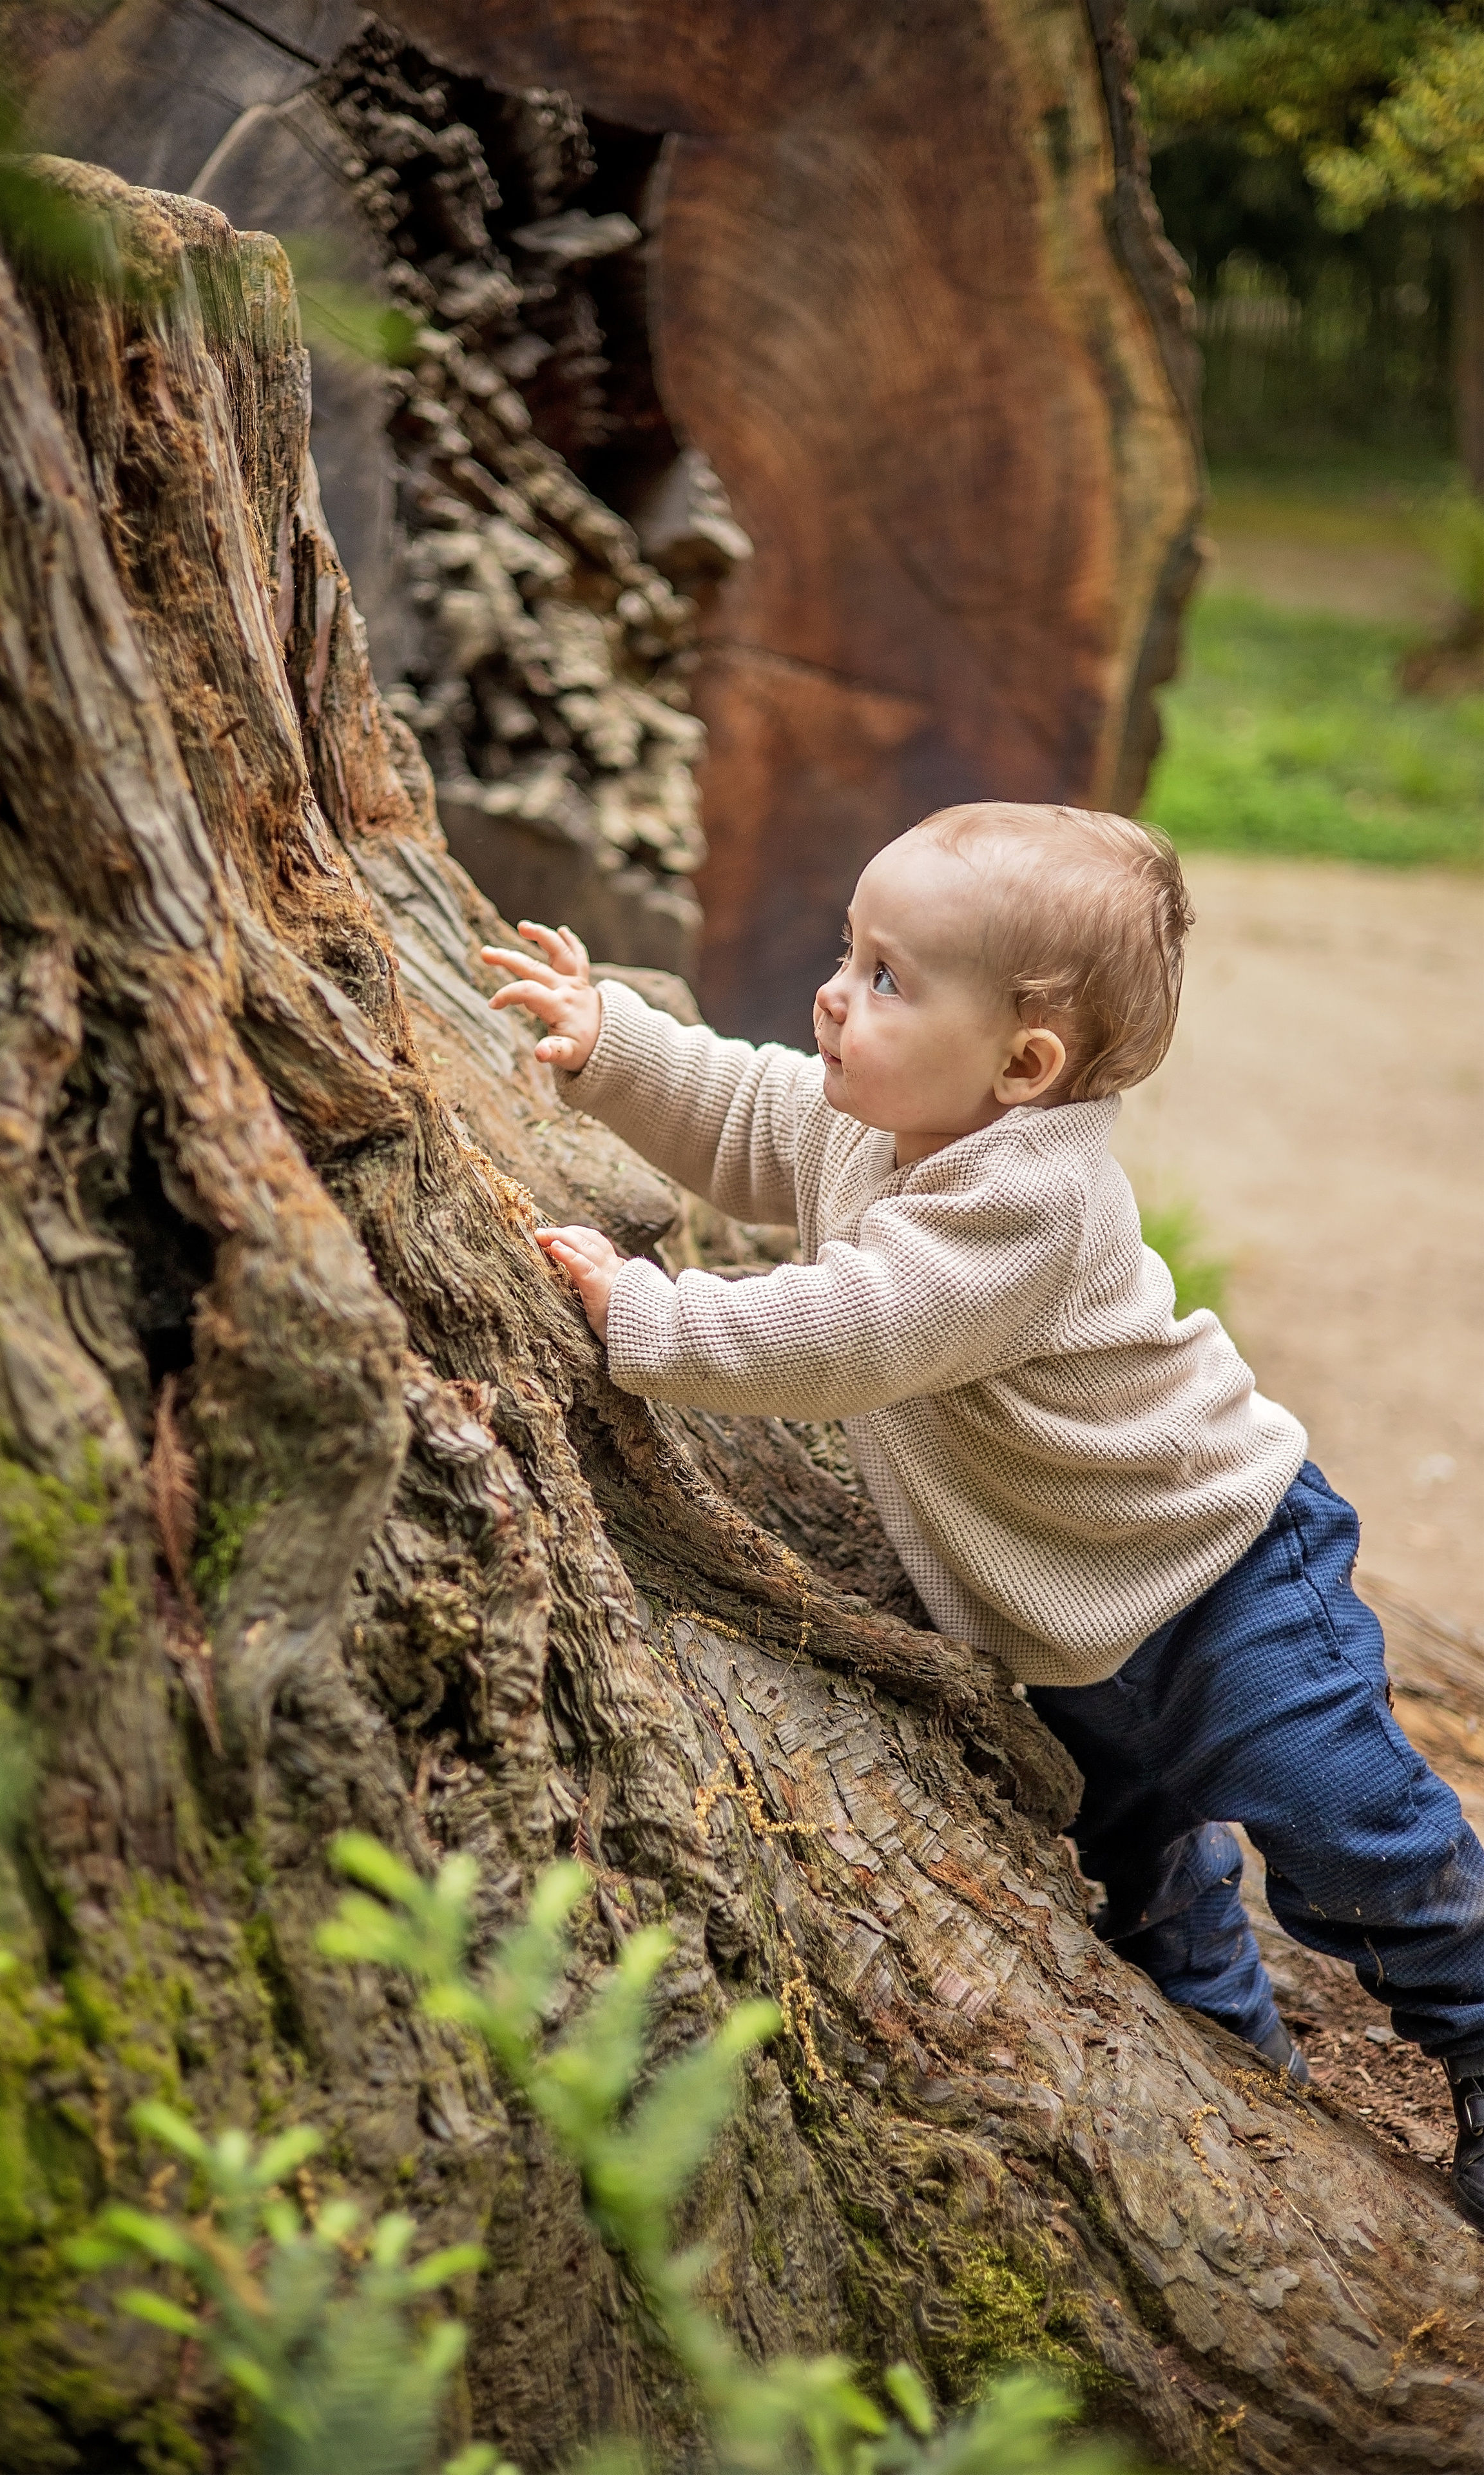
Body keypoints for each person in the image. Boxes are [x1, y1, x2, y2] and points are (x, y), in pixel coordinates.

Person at [482, 799, 1484, 2231]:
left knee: (1354, 1841)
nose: (833, 994)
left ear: (1024, 1066)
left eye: (886, 978)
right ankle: (1231, 2058)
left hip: (1219, 1580)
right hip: (1068, 1629)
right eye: (846, 948)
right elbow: (745, 1109)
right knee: (1135, 1875)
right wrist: (615, 1049)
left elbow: (846, 1332)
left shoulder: (1027, 1201)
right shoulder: (879, 1118)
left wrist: (647, 1315)